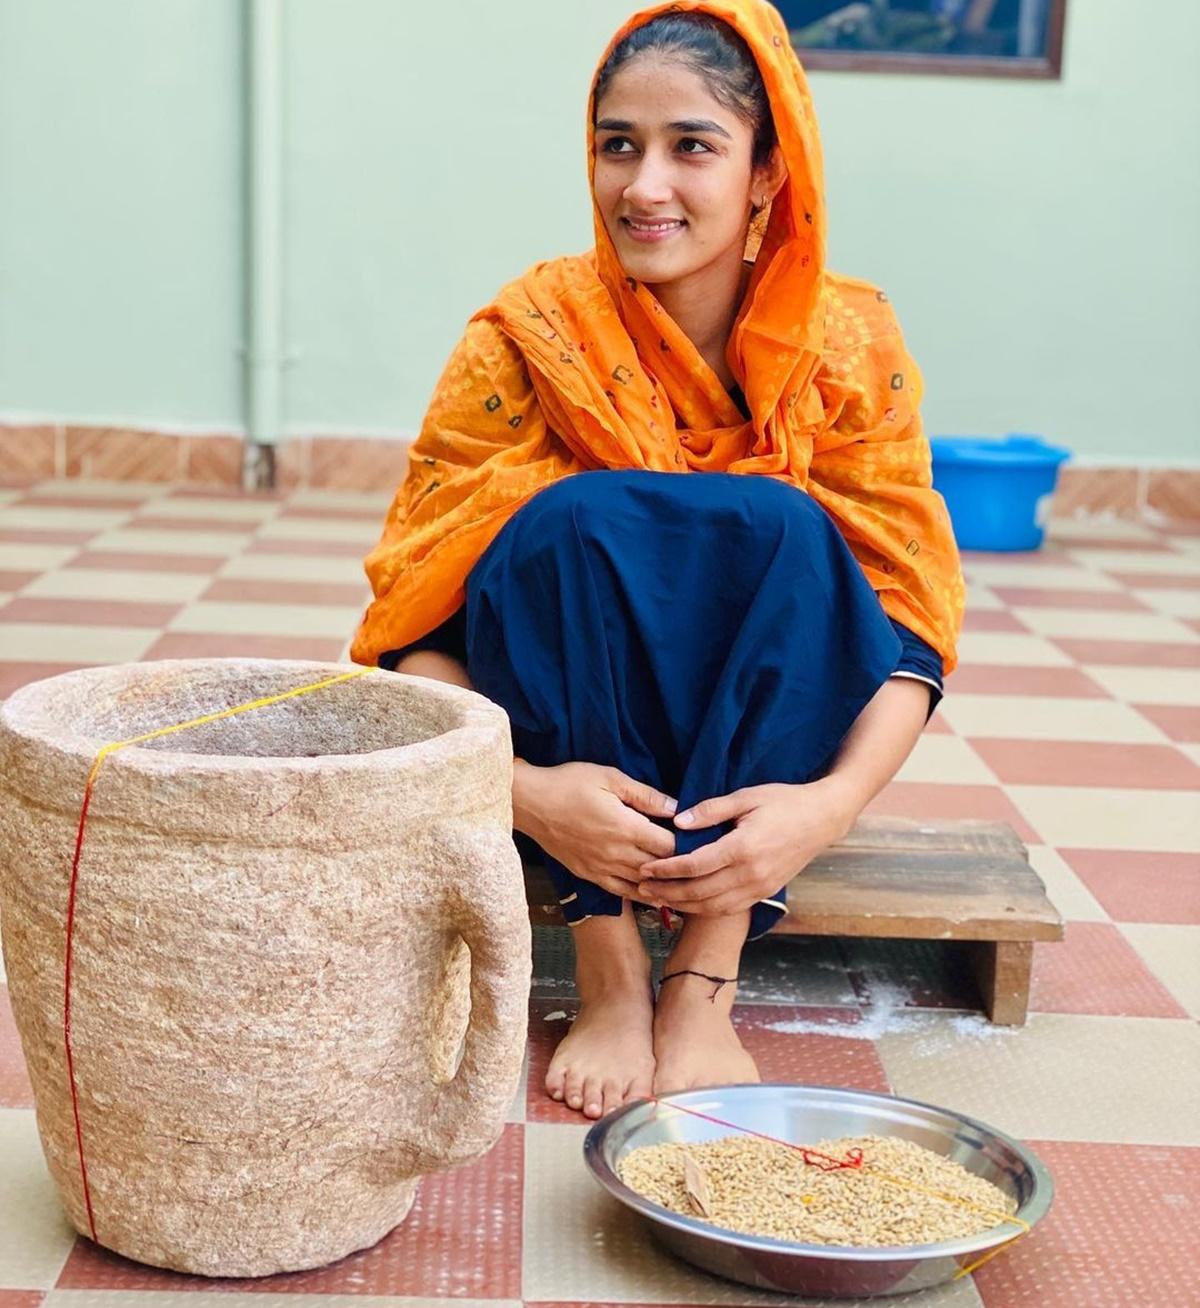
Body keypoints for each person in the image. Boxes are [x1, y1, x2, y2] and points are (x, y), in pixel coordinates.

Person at [351, 0, 965, 1122]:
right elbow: (413, 629)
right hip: (568, 743)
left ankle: (705, 974)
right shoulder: (527, 336)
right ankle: (611, 965)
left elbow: (907, 626)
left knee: (784, 529)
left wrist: (823, 811)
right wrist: (530, 795)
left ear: (770, 174)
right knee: (570, 521)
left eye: (693, 146)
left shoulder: (849, 347)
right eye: (617, 144)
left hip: (764, 749)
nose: (645, 185)